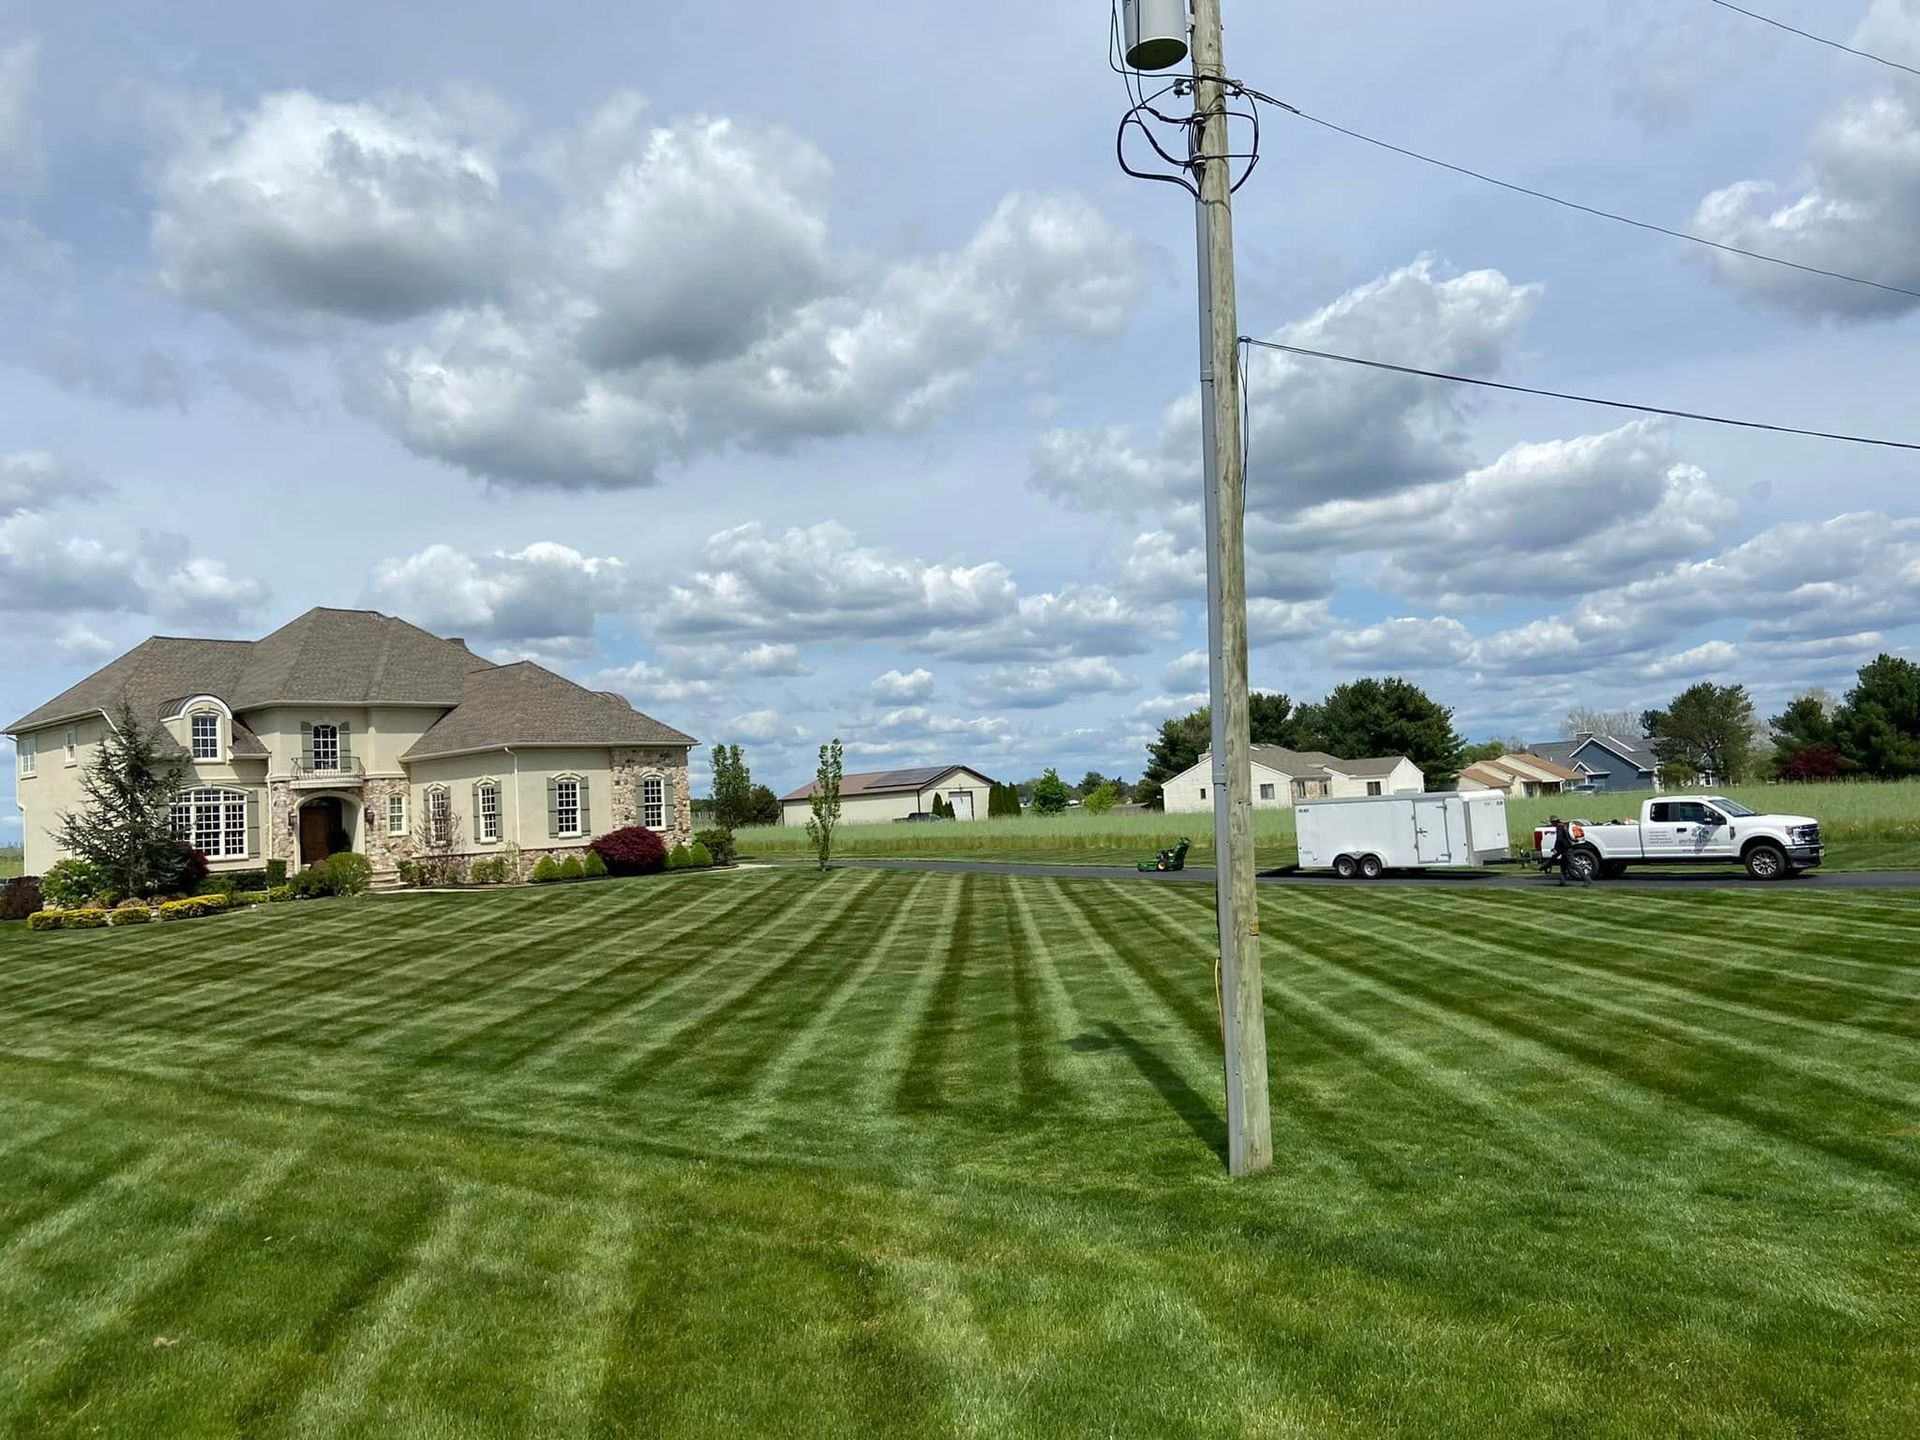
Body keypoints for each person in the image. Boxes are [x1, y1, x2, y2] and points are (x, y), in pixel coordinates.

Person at [1544, 814, 1588, 887]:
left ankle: (1587, 879)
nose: (1551, 824)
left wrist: (1555, 848)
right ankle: (1562, 881)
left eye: (1551, 822)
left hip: (1566, 849)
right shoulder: (1563, 826)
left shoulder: (1559, 827)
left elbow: (1559, 839)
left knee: (1573, 865)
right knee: (1563, 865)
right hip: (1565, 849)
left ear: (1554, 822)